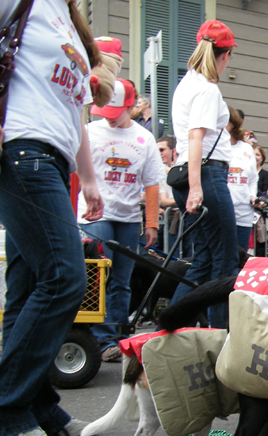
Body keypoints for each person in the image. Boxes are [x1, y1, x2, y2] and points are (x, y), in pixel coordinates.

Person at [0, 0, 106, 436]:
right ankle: (0, 409)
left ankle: (36, 406)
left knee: (29, 285)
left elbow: (75, 112)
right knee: (65, 276)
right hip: (19, 148)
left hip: (52, 161)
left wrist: (87, 178)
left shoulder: (68, 19)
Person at [78, 78, 166, 362]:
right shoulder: (90, 131)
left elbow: (152, 183)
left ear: (131, 106)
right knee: (99, 276)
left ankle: (116, 335)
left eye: (116, 113)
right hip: (95, 214)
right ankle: (101, 338)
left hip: (128, 217)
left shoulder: (144, 138)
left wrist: (151, 222)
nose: (110, 120)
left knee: (122, 281)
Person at [167, 20, 240, 330]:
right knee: (225, 264)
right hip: (205, 177)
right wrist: (197, 188)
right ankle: (221, 337)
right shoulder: (207, 89)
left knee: (205, 260)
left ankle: (168, 326)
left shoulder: (188, 84)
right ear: (224, 55)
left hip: (193, 176)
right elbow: (196, 138)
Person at [226, 106, 258, 251]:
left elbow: (253, 178)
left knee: (240, 254)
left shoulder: (246, 148)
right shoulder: (216, 147)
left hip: (243, 212)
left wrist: (252, 195)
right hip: (223, 210)